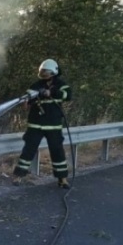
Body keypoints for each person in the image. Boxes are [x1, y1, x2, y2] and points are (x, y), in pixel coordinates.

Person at [13, 58, 72, 188]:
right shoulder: (36, 85)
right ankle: (18, 176)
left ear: (53, 72)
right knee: (28, 150)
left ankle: (62, 179)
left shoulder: (61, 85)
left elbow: (67, 95)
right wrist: (26, 102)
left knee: (57, 151)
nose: (44, 75)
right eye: (43, 72)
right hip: (35, 124)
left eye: (46, 72)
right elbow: (28, 100)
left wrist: (51, 92)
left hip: (53, 125)